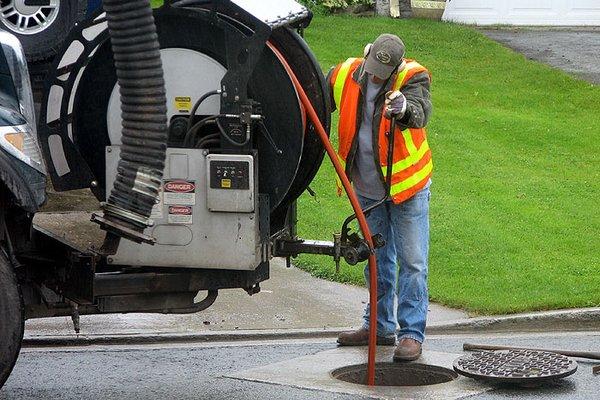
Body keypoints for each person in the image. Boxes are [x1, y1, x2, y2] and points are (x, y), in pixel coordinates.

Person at [328, 33, 432, 361]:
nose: (374, 75)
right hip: (366, 189)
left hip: (406, 189)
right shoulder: (346, 72)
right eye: (371, 66)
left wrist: (403, 110)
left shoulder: (413, 76)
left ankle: (411, 335)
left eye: (381, 72)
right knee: (377, 260)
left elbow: (419, 110)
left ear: (396, 67)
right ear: (367, 53)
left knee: (412, 262)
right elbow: (311, 93)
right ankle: (378, 326)